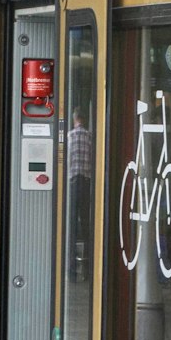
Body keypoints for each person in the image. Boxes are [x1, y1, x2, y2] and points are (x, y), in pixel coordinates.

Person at [65, 108, 92, 281]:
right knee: (86, 225)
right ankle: (88, 270)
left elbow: (65, 160)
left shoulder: (69, 137)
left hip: (73, 182)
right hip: (87, 183)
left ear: (75, 119)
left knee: (72, 226)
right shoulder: (90, 137)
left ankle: (72, 271)